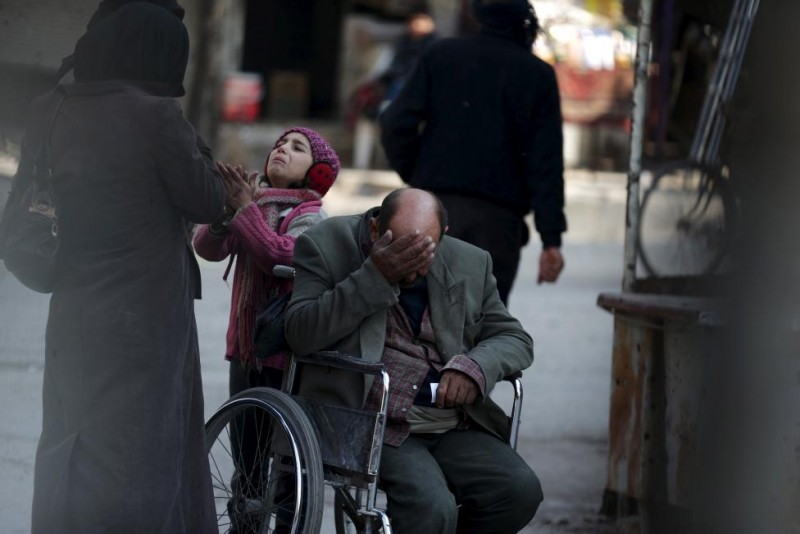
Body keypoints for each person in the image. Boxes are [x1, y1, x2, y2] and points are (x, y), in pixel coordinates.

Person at [25, 3, 225, 533]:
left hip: (74, 308)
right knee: (141, 457)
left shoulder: (51, 107)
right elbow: (208, 199)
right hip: (146, 320)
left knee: (72, 435)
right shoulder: (155, 116)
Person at [284, 188, 543, 534]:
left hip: (449, 421)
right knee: (432, 508)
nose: (410, 260)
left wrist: (475, 367)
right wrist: (375, 275)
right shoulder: (326, 244)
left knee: (518, 490)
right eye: (398, 245)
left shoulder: (470, 261)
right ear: (376, 229)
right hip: (371, 420)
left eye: (423, 250)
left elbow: (514, 338)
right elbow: (300, 333)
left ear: (443, 238)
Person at [193, 127, 340, 532]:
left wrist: (244, 211)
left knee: (287, 466)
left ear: (318, 172)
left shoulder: (310, 217)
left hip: (285, 356)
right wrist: (228, 210)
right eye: (280, 143)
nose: (282, 149)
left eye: (297, 148)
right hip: (244, 351)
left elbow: (277, 255)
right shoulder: (254, 203)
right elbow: (206, 248)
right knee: (247, 462)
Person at [380, 0, 567, 304]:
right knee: (480, 331)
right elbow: (546, 164)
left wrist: (419, 175)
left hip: (431, 214)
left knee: (417, 325)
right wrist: (551, 240)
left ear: (476, 13)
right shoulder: (537, 74)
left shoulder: (440, 54)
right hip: (498, 226)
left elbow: (394, 124)